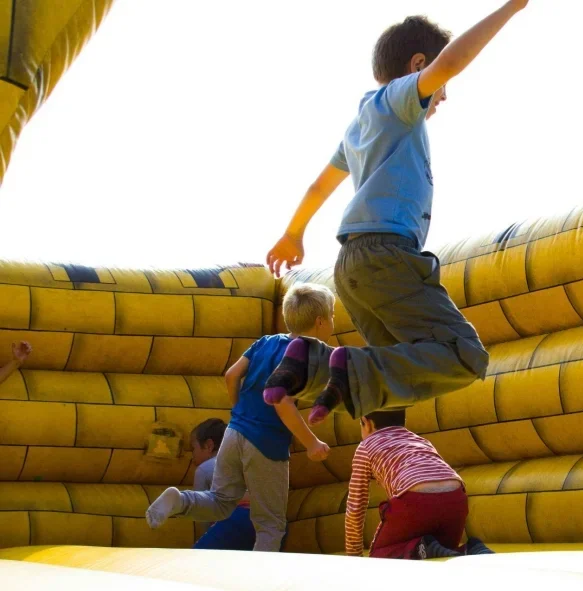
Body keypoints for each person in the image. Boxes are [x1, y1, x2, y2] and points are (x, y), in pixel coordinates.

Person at [263, 1, 532, 425]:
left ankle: (316, 366)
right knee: (463, 355)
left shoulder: (361, 125)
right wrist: (511, 9)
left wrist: (293, 234)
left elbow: (320, 185)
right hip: (387, 256)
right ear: (418, 64)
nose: (444, 95)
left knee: (390, 377)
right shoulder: (400, 102)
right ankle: (346, 368)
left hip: (351, 267)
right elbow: (453, 61)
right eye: (440, 85)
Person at [146, 283, 334, 551]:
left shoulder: (265, 343)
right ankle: (260, 584)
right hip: (266, 442)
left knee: (221, 502)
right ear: (319, 322)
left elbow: (231, 375)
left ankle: (180, 501)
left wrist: (239, 413)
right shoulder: (304, 355)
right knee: (270, 524)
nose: (333, 322)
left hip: (235, 432)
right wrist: (312, 442)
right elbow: (281, 401)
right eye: (333, 316)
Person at [345, 409, 492, 559]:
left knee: (380, 557)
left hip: (415, 500)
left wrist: (354, 555)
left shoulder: (366, 447)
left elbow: (356, 506)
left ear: (366, 423)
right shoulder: (419, 441)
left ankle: (422, 548)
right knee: (443, 552)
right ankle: (471, 549)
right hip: (456, 499)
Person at [189, 418, 256, 551]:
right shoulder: (247, 461)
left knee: (197, 559)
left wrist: (208, 539)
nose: (192, 455)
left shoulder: (204, 469)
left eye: (193, 448)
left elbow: (202, 513)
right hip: (270, 522)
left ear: (209, 445)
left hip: (237, 519)